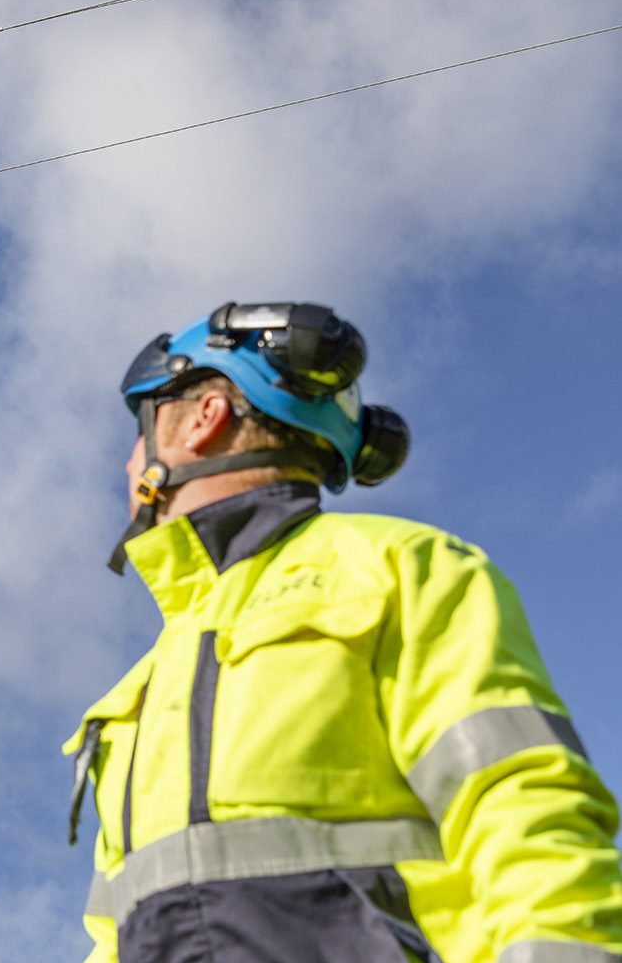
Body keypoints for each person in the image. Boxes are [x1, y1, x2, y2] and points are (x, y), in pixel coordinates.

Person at [64, 303, 622, 962]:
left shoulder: (399, 568)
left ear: (204, 419)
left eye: (140, 434)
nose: (130, 466)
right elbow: (113, 933)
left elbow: (523, 805)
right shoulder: (139, 690)